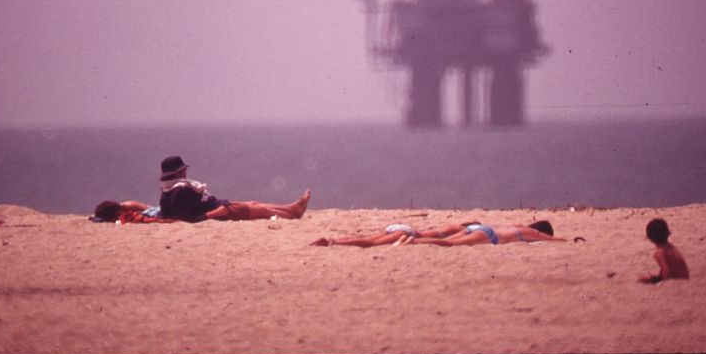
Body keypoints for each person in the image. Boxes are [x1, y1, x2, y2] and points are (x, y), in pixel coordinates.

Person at [157, 155, 311, 223]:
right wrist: (217, 213)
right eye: (182, 170)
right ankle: (293, 214)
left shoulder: (167, 192)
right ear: (177, 172)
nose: (185, 172)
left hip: (220, 207)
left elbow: (167, 215)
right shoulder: (180, 191)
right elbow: (189, 218)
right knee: (263, 212)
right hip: (221, 212)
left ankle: (292, 208)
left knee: (254, 203)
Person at [310, 221, 482, 247]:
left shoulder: (450, 226)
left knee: (369, 239)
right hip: (404, 231)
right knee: (371, 244)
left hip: (399, 225)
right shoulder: (460, 230)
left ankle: (335, 240)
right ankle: (335, 243)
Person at [400, 220, 567, 246]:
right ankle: (413, 242)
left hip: (482, 228)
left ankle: (410, 238)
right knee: (450, 244)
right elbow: (553, 239)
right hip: (488, 235)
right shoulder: (532, 232)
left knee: (449, 240)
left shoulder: (516, 225)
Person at [638, 218, 689, 283]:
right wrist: (652, 279)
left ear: (650, 238)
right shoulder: (672, 247)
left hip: (677, 286)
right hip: (685, 281)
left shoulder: (659, 253)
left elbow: (666, 272)